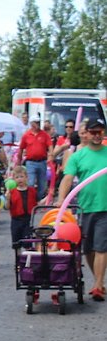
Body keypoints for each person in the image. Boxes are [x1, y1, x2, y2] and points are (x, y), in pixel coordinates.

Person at [57, 118, 107, 301]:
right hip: (85, 208)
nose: (96, 135)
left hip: (105, 207)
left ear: (104, 133)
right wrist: (61, 200)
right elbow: (67, 179)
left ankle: (98, 286)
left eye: (100, 132)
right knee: (88, 249)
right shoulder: (78, 156)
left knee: (102, 247)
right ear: (87, 133)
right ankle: (98, 281)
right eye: (93, 132)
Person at [19, 119, 52, 200]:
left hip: (42, 161)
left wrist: (51, 155)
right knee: (30, 182)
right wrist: (19, 160)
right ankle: (31, 200)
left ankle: (38, 200)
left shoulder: (44, 135)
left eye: (38, 122)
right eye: (36, 122)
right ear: (31, 123)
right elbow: (21, 148)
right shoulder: (26, 135)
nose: (38, 124)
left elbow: (50, 146)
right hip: (30, 162)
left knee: (42, 184)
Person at [7, 166, 35, 245]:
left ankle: (28, 256)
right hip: (16, 219)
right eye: (17, 177)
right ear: (14, 179)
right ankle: (18, 256)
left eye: (22, 177)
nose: (19, 179)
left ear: (26, 177)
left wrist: (47, 198)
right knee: (16, 242)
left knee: (27, 241)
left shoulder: (32, 191)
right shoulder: (12, 192)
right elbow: (7, 207)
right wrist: (8, 199)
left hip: (28, 219)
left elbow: (37, 203)